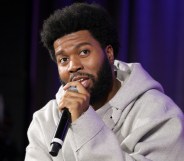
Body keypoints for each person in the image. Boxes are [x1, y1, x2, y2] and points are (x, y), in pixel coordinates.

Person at [24, 2, 184, 161]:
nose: (73, 66)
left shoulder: (158, 112)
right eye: (64, 59)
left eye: (84, 52)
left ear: (109, 53)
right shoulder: (45, 120)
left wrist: (83, 119)